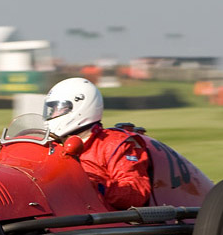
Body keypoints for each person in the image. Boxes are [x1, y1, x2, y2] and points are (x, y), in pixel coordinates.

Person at [42, 77, 152, 210]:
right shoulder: (52, 146)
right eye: (51, 110)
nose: (53, 114)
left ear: (79, 108)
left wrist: (94, 186)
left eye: (58, 109)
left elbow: (136, 193)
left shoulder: (114, 143)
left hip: (102, 221)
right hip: (61, 213)